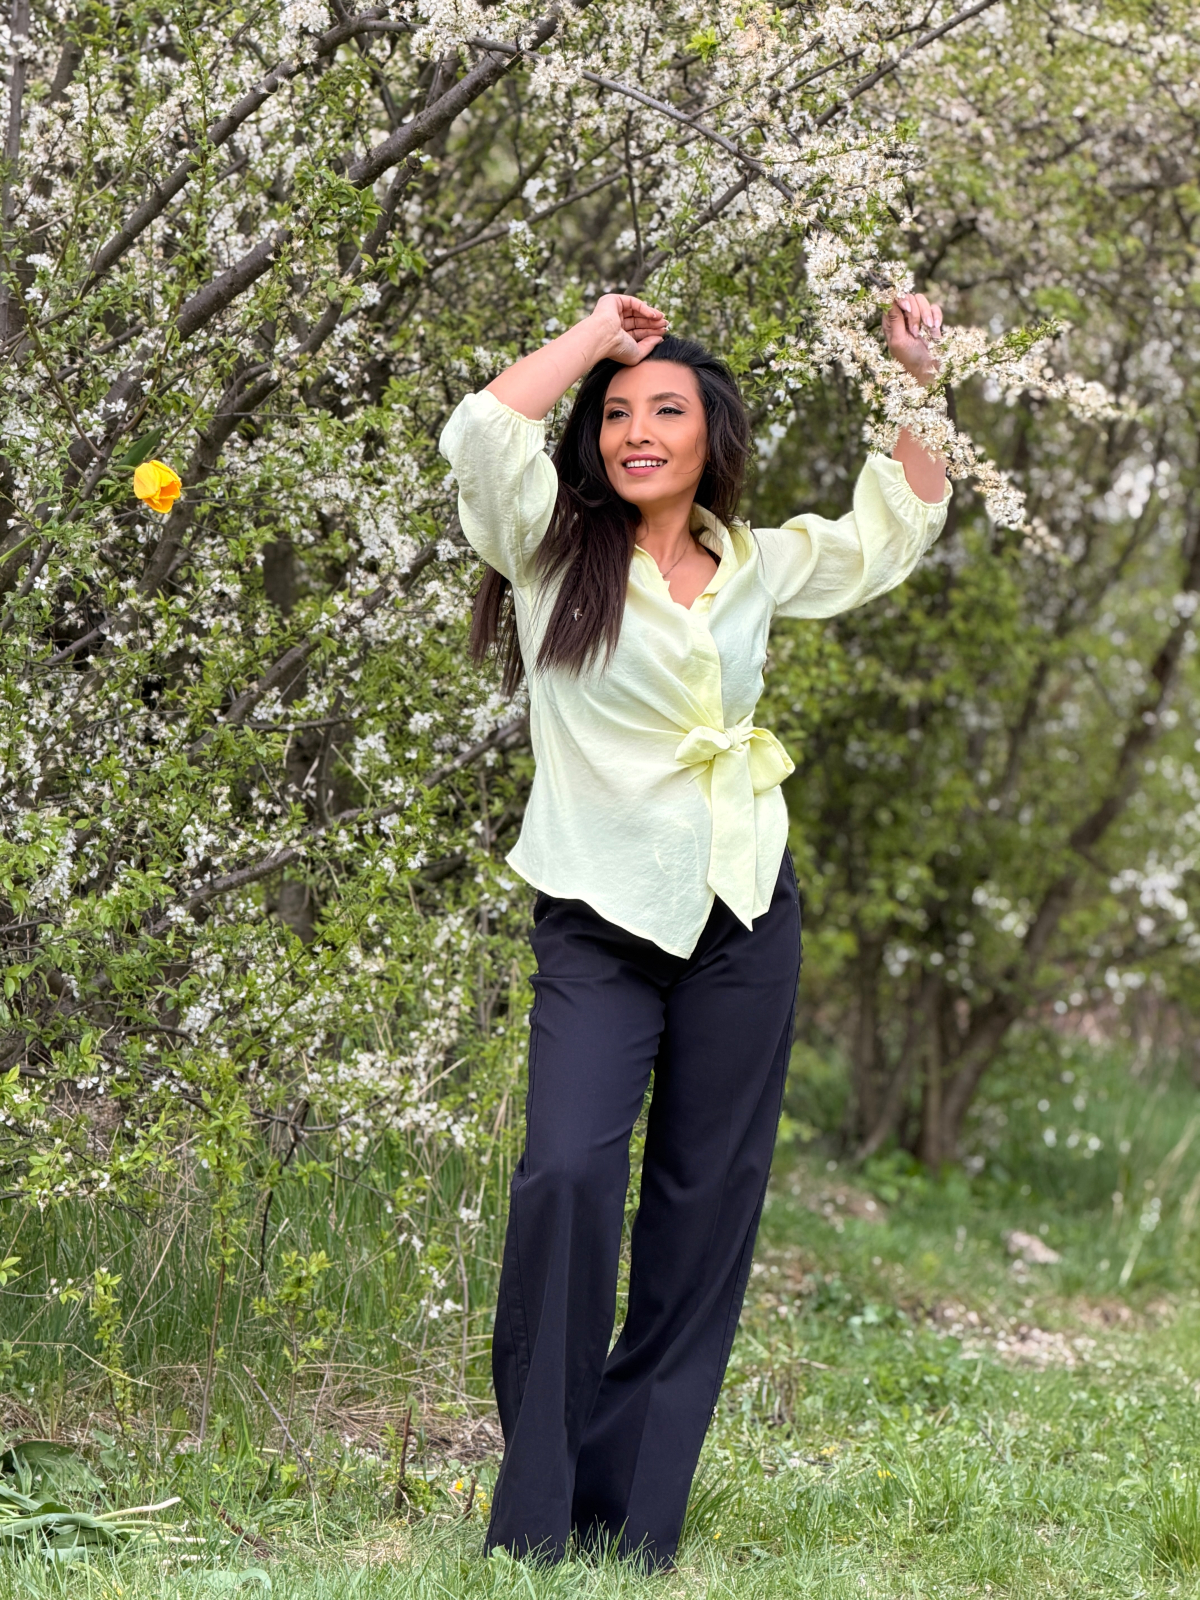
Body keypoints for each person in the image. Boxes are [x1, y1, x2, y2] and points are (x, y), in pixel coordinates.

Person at [438, 292, 949, 1568]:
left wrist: (917, 379)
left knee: (704, 1204)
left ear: (711, 435)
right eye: (618, 414)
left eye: (665, 410)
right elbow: (485, 432)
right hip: (599, 914)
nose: (636, 432)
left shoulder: (758, 562)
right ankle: (536, 1519)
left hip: (744, 908)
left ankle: (630, 1525)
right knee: (566, 1174)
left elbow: (894, 528)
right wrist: (592, 338)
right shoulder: (549, 548)